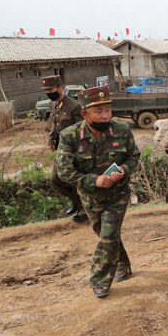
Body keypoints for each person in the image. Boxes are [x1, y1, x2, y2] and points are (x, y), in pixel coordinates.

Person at [56, 86, 141, 298]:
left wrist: (125, 170)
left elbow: (134, 156)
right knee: (105, 234)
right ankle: (123, 266)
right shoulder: (69, 136)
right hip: (90, 199)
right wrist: (94, 180)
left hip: (118, 195)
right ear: (85, 114)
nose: (105, 116)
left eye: (107, 110)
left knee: (109, 235)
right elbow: (64, 172)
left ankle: (100, 280)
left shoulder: (121, 130)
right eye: (99, 111)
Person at [40, 75, 86, 223]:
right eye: (46, 90)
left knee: (74, 179)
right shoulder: (52, 104)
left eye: (50, 89)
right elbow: (54, 124)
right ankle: (76, 202)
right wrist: (51, 140)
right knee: (56, 179)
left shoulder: (74, 106)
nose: (48, 92)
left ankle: (83, 209)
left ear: (60, 88)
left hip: (73, 149)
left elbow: (82, 130)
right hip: (61, 147)